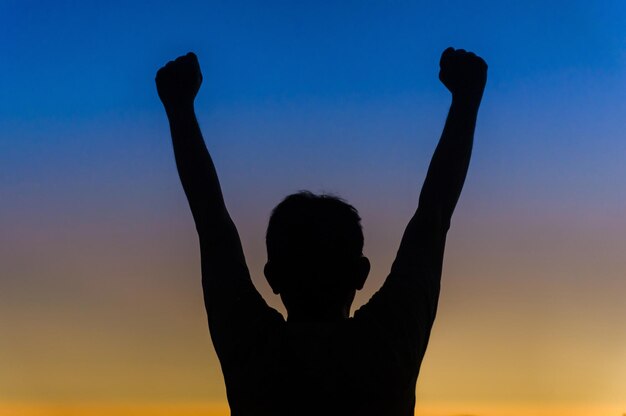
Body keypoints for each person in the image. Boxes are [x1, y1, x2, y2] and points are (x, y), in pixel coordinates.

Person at [156, 47, 487, 416]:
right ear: (360, 273)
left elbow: (212, 224)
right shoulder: (388, 344)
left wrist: (179, 108)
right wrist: (466, 99)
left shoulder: (252, 349)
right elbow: (433, 217)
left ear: (273, 277)